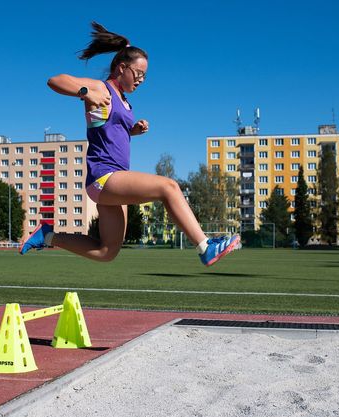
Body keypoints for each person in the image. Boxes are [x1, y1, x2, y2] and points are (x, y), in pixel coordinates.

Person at [20, 22, 240, 266]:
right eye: (138, 73)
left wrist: (131, 130)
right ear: (122, 68)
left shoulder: (124, 102)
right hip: (103, 176)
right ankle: (204, 246)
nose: (142, 80)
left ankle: (47, 236)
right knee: (168, 187)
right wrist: (85, 92)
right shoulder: (101, 88)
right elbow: (55, 80)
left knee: (107, 251)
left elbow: (108, 133)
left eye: (145, 76)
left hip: (114, 180)